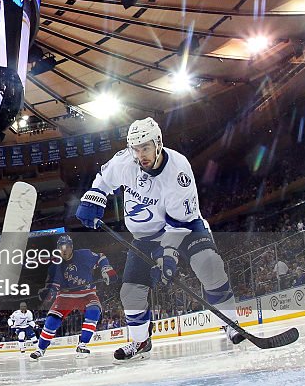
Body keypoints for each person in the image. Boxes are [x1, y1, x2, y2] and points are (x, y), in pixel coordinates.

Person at [75, 117, 245, 361]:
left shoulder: (178, 171)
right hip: (145, 236)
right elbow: (103, 180)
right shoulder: (125, 161)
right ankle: (140, 341)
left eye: (145, 147)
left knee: (209, 265)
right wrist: (92, 199)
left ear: (158, 143)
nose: (140, 154)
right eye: (136, 148)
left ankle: (230, 322)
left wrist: (168, 258)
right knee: (130, 293)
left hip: (183, 227)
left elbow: (179, 224)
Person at [30, 235, 115, 359]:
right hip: (65, 296)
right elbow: (54, 285)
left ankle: (83, 345)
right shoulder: (55, 264)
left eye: (67, 247)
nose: (64, 250)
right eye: (61, 247)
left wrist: (106, 269)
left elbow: (101, 256)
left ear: (72, 247)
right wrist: (49, 293)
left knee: (94, 312)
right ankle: (40, 349)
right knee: (52, 321)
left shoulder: (84, 255)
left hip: (87, 293)